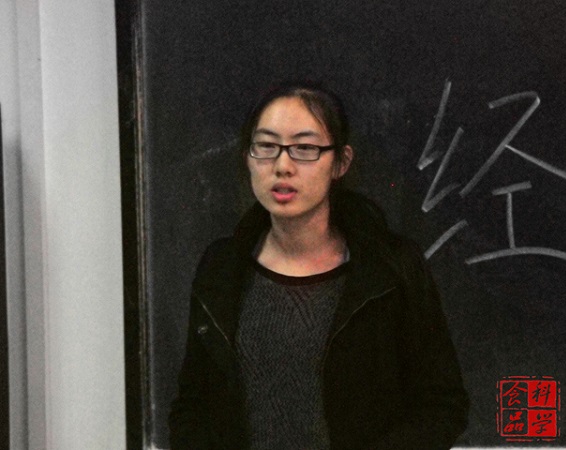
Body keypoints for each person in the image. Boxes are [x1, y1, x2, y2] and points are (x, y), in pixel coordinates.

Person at [169, 82, 469, 449]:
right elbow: (192, 407)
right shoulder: (222, 267)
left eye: (305, 149)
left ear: (340, 162)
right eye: (266, 146)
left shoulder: (390, 268)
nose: (282, 166)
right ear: (247, 157)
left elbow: (442, 405)